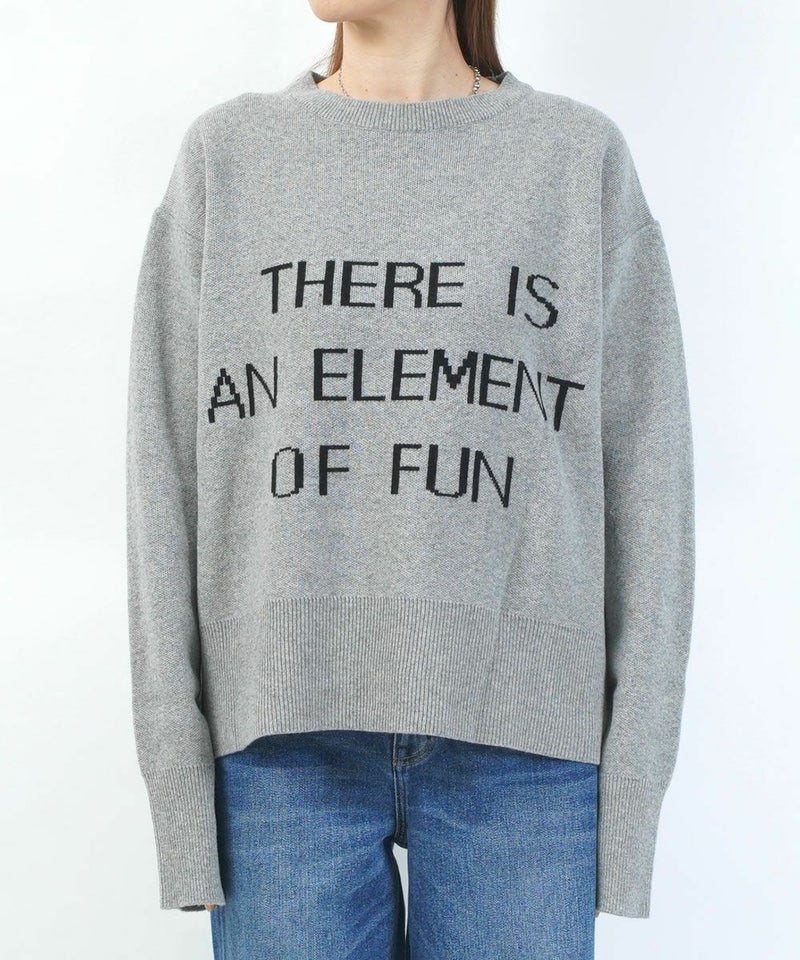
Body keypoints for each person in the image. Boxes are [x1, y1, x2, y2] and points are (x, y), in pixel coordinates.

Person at [125, 1, 696, 957]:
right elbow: (163, 479)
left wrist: (634, 788)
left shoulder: (573, 159)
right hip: (278, 747)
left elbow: (651, 486)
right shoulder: (231, 156)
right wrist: (177, 786)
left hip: (526, 752)